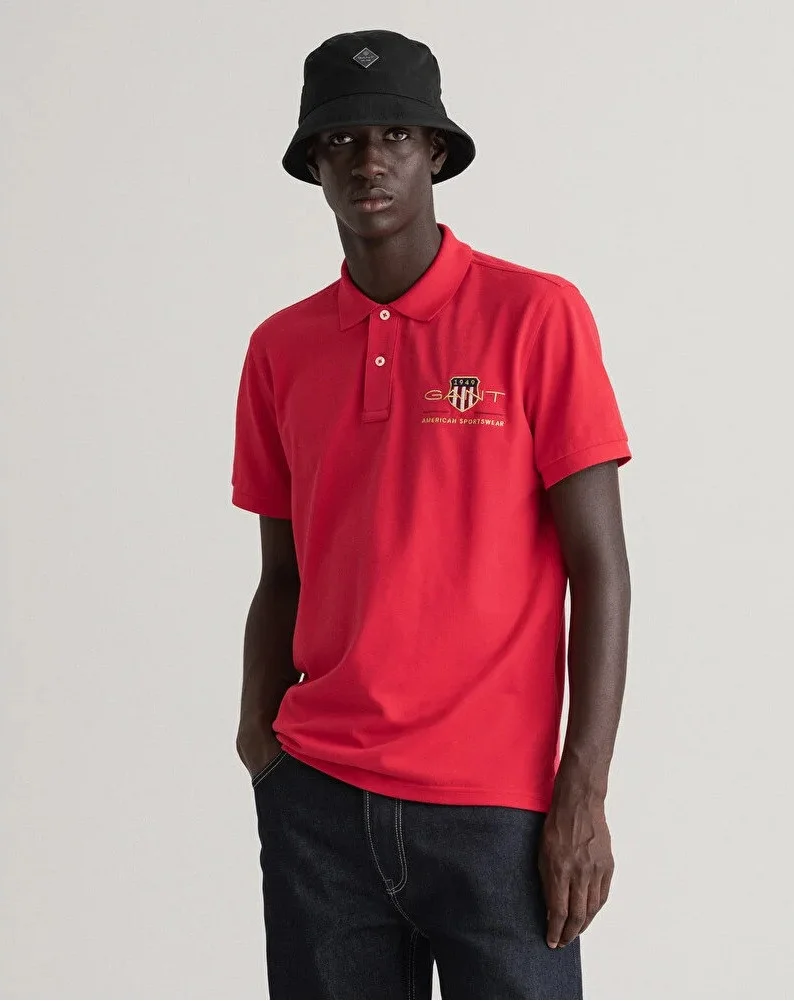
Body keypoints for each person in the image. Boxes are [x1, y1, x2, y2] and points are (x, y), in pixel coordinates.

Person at [231, 28, 632, 1000]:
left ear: (436, 152)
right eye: (339, 141)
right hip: (320, 802)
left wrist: (581, 787)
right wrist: (258, 738)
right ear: (312, 164)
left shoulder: (536, 315)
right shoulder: (279, 348)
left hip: (497, 810)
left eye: (395, 135)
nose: (368, 161)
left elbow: (600, 567)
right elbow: (282, 572)